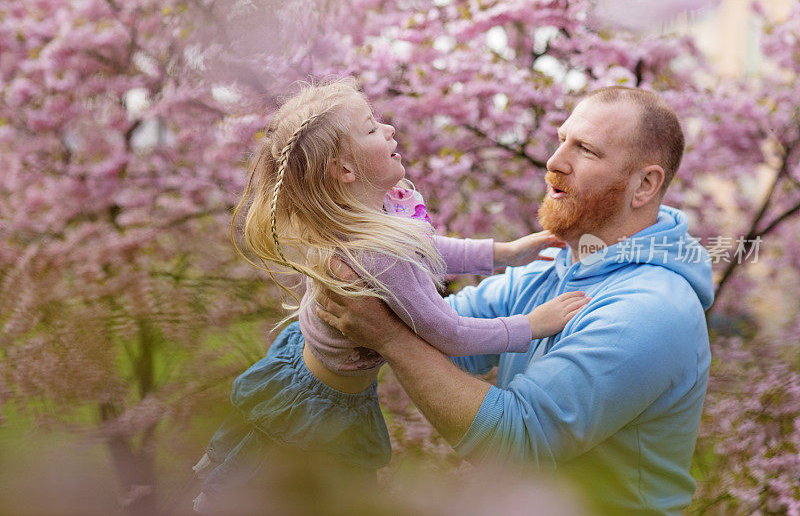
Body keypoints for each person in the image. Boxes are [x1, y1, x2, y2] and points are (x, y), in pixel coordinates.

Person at [191, 79, 590, 511]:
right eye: (370, 129)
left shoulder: (377, 211)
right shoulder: (375, 254)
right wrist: (532, 325)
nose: (389, 130)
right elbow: (450, 334)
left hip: (311, 370)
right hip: (316, 404)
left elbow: (425, 249)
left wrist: (504, 254)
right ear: (344, 170)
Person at [316, 86, 714, 515]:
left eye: (586, 150)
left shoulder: (650, 310)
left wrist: (389, 339)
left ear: (645, 185)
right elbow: (438, 330)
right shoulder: (554, 267)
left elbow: (518, 439)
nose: (555, 162)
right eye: (562, 139)